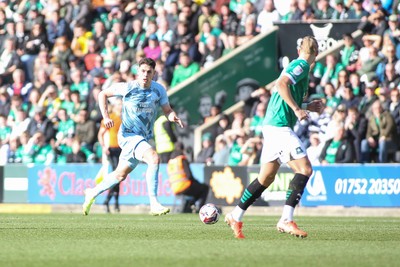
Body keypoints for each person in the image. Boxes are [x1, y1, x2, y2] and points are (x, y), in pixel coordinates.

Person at [225, 36, 324, 239]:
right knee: (305, 169)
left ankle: (235, 215)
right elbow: (280, 85)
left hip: (272, 125)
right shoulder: (302, 65)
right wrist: (298, 109)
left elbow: (282, 95)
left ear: (299, 50)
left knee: (266, 178)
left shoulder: (299, 66)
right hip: (279, 127)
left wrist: (306, 106)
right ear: (317, 53)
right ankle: (286, 219)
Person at [82, 58, 184, 216]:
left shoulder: (159, 90)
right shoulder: (128, 87)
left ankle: (92, 193)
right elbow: (102, 94)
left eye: (149, 72)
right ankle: (154, 203)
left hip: (142, 138)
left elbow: (167, 109)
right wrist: (106, 117)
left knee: (119, 175)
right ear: (138, 72)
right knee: (153, 158)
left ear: (153, 74)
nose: (145, 75)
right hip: (128, 135)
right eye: (142, 71)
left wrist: (172, 117)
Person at [167, 142, 209, 213]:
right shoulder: (181, 159)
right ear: (182, 149)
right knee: (204, 188)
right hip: (184, 186)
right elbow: (189, 176)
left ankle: (190, 205)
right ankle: (199, 209)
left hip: (174, 189)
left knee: (196, 189)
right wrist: (196, 182)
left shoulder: (170, 162)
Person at [97, 99, 123, 213]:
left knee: (120, 177)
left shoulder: (126, 117)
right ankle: (111, 202)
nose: (120, 106)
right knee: (117, 176)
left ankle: (112, 203)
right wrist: (104, 146)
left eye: (121, 103)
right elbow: (100, 134)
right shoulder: (110, 118)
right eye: (118, 104)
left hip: (122, 149)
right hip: (112, 149)